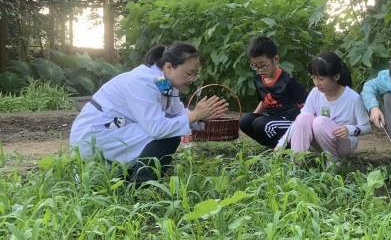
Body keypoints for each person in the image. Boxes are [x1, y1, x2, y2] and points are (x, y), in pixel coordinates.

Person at [70, 42, 228, 183]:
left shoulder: (162, 81)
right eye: (189, 73)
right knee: (166, 134)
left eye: (195, 74)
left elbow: (176, 114)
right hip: (95, 134)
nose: (192, 79)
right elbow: (158, 128)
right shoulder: (142, 81)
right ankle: (140, 183)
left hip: (114, 130)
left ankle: (129, 177)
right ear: (168, 67)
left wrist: (202, 116)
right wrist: (194, 115)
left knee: (171, 129)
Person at [281, 52, 371, 158]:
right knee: (303, 117)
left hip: (343, 144)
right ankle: (296, 163)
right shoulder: (315, 92)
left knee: (319, 121)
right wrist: (281, 143)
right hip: (319, 142)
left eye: (321, 79)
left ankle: (333, 162)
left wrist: (349, 129)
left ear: (336, 76)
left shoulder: (353, 98)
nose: (317, 83)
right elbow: (299, 122)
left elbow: (367, 127)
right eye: (314, 78)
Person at [239, 36, 308, 148]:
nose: (260, 69)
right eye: (255, 66)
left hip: (291, 122)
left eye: (263, 65)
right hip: (272, 119)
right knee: (245, 121)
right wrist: (252, 118)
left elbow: (307, 107)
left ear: (275, 59)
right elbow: (263, 101)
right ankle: (273, 147)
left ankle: (288, 148)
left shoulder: (288, 81)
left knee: (261, 124)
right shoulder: (258, 78)